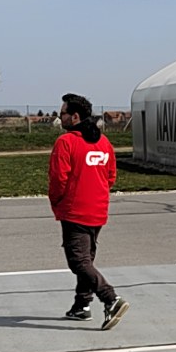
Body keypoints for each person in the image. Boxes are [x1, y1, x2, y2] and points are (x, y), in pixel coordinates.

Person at [49, 93, 128, 329]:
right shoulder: (103, 142)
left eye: (62, 113)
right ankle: (81, 306)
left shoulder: (66, 142)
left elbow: (58, 179)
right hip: (98, 210)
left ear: (75, 116)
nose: (60, 117)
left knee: (79, 262)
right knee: (87, 260)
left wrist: (57, 201)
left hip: (75, 211)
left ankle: (110, 298)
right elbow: (111, 176)